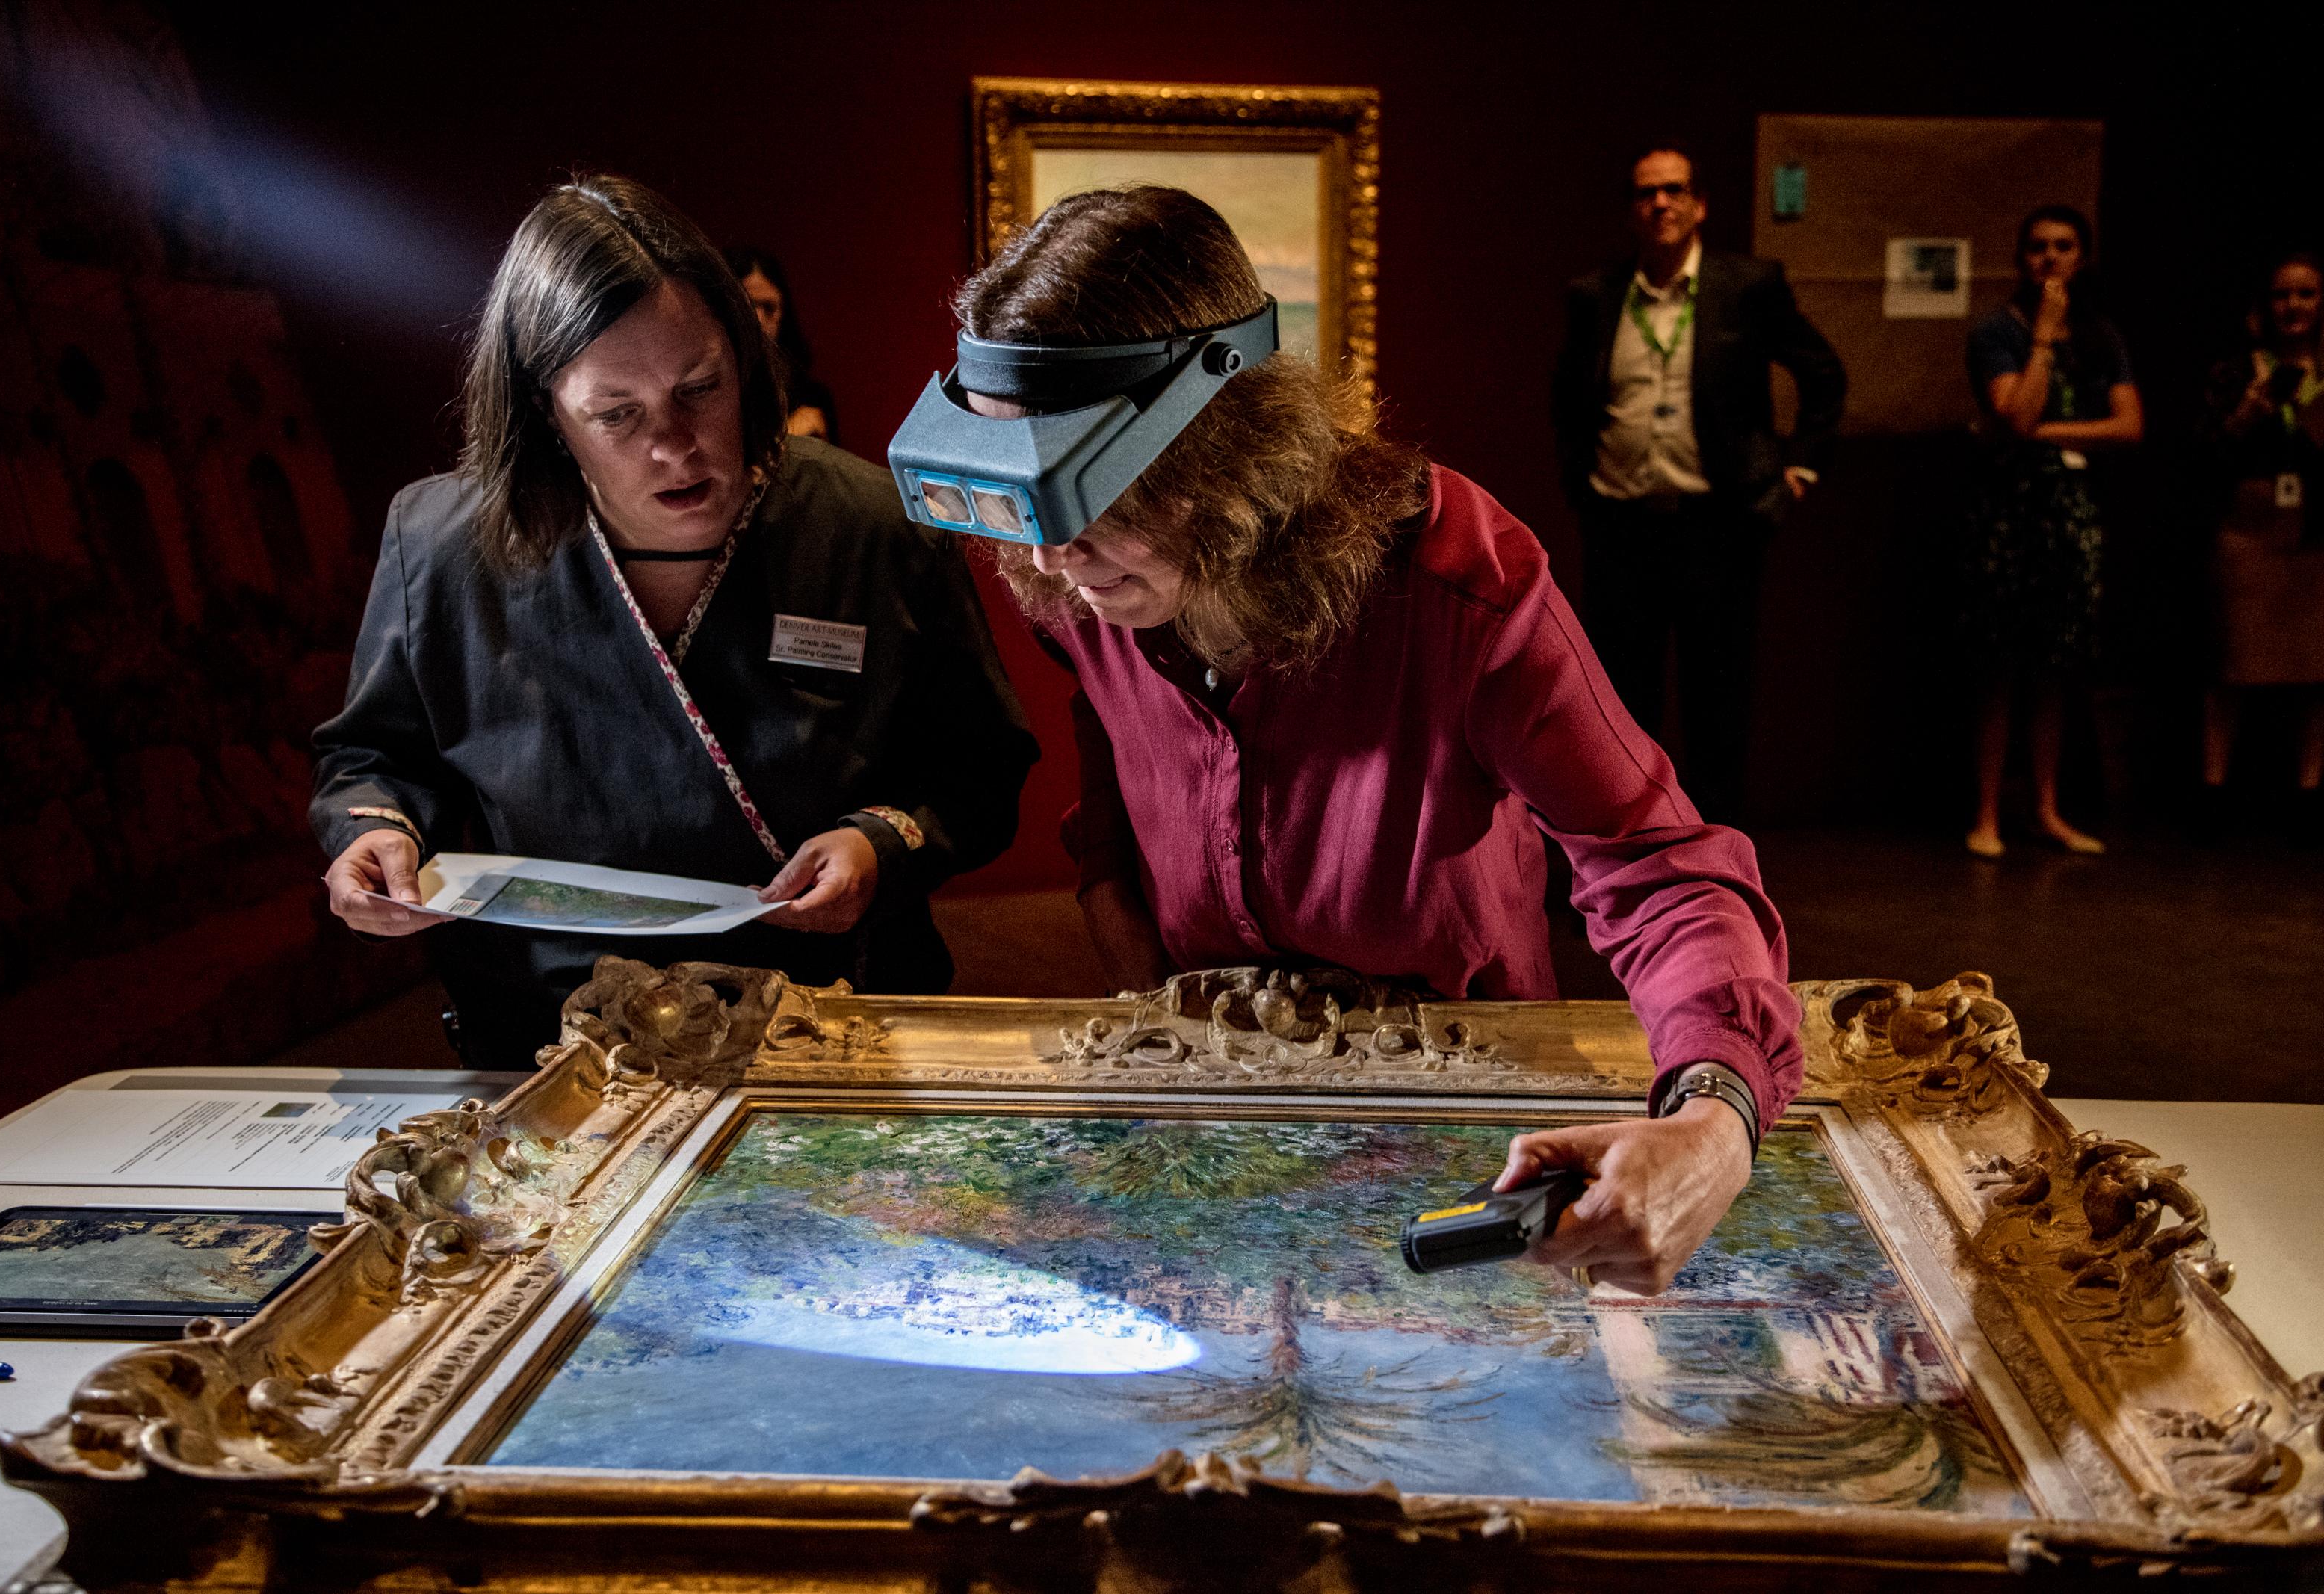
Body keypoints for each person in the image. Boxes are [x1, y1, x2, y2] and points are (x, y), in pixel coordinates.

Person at [891, 185, 1805, 1296]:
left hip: (1460, 1110)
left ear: (1228, 441)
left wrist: (1715, 1120)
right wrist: (1118, 920)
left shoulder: (1459, 582)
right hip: (1207, 1112)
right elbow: (1112, 782)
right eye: (1017, 499)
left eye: (1092, 489)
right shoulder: (1085, 577)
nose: (1051, 558)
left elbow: (1661, 866)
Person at [313, 175, 1036, 1069]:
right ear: (544, 410)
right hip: (553, 1034)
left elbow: (980, 765)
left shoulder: (874, 525)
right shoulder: (441, 544)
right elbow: (376, 758)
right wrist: (376, 834)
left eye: (700, 388)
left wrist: (881, 843)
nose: (674, 445)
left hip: (832, 1015)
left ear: (746, 356)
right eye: (616, 415)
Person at [1552, 143, 1845, 827]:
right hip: (1623, 528)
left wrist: (1797, 472)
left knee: (1718, 700)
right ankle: (1631, 854)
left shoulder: (1747, 286)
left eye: (1675, 189)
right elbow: (1567, 402)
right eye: (1646, 192)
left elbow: (1824, 375)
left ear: (1700, 203)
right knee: (1621, 703)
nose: (1661, 203)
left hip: (1717, 526)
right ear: (1632, 209)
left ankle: (1713, 863)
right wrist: (1583, 489)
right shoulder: (1595, 296)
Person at [1958, 206, 2142, 859]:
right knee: (2000, 663)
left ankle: (2046, 808)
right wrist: (2041, 340)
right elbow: (2015, 414)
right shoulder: (1997, 332)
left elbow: (2128, 426)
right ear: (2020, 259)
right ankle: (1985, 813)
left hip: (2073, 513)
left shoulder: (2100, 337)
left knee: (2055, 667)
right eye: (2037, 247)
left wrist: (2050, 433)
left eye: (2064, 247)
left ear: (2082, 257)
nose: (2050, 259)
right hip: (2012, 513)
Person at [2198, 252, 2324, 810]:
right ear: (2264, 303)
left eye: (2306, 294)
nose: (2293, 306)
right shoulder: (2235, 369)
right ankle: (2213, 791)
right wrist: (2250, 410)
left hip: (2314, 531)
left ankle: (2309, 791)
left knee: (2315, 667)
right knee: (2232, 663)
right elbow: (2203, 456)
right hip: (2248, 527)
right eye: (2282, 295)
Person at [727, 245, 837, 443]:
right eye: (748, 306)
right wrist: (790, 436)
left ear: (783, 312)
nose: (759, 320)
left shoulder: (811, 393)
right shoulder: (710, 389)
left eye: (769, 307)